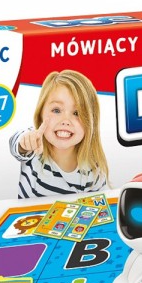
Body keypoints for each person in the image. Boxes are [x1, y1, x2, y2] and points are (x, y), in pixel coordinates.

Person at [9, 70, 109, 199]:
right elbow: (16, 145)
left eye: (77, 113)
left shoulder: (93, 171)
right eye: (56, 110)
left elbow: (101, 205)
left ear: (90, 122)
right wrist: (25, 143)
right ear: (41, 113)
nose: (65, 121)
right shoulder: (34, 144)